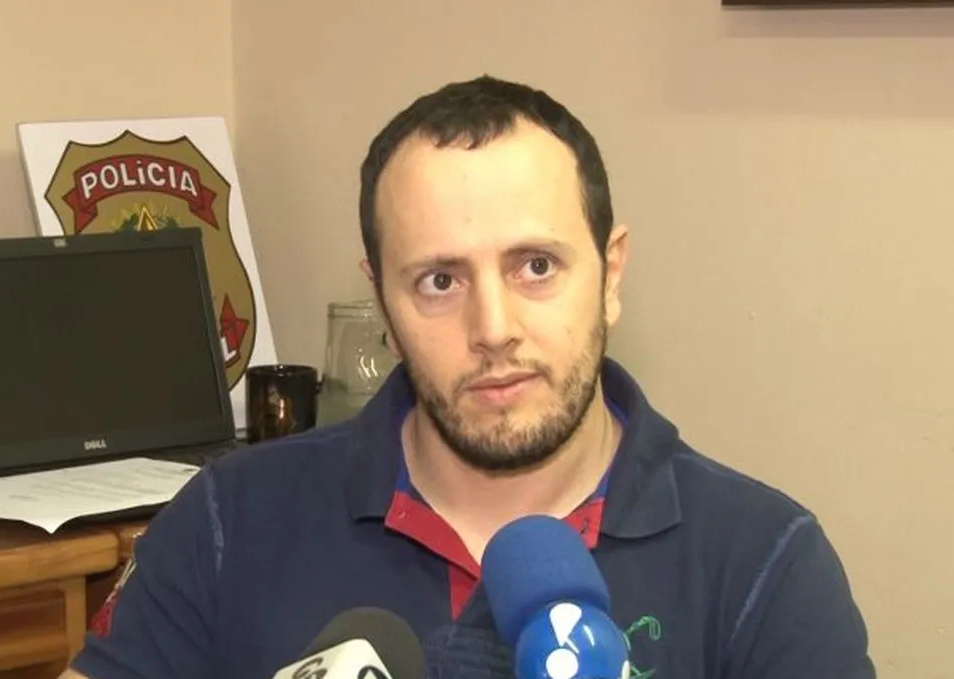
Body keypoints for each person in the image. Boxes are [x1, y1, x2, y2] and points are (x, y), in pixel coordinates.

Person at [60, 75, 875, 679]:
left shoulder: (764, 560)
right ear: (382, 301)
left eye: (536, 265)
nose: (493, 328)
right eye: (440, 280)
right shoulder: (228, 518)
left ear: (611, 273)